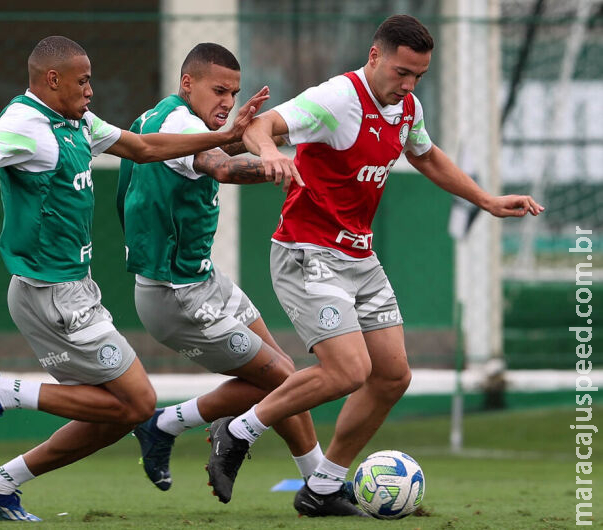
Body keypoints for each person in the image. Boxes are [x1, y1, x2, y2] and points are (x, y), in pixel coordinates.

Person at [0, 35, 269, 522]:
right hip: (51, 294)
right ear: (52, 80)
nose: (91, 89)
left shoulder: (78, 122)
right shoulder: (23, 124)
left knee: (115, 412)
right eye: (83, 80)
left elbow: (146, 147)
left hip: (73, 289)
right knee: (139, 401)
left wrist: (224, 135)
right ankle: (3, 391)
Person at [205, 14, 545, 517]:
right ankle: (238, 430)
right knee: (348, 370)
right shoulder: (338, 98)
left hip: (360, 257)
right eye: (401, 73)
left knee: (391, 376)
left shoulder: (406, 107)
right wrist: (271, 152)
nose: (407, 85)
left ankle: (323, 487)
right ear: (374, 56)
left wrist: (487, 200)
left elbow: (426, 157)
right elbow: (260, 124)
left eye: (418, 77)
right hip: (308, 251)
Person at [116, 43, 319, 500]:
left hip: (204, 280)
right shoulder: (178, 124)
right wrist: (276, 164)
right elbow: (222, 168)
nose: (227, 101)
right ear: (187, 83)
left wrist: (241, 131)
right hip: (174, 296)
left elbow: (213, 150)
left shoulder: (166, 119)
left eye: (234, 92)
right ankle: (164, 423)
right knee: (283, 379)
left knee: (283, 378)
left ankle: (319, 480)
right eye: (219, 90)